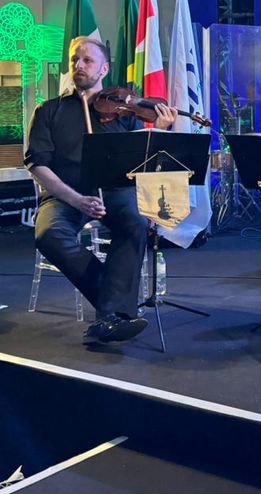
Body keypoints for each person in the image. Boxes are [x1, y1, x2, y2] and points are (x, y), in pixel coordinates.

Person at [26, 36, 177, 346]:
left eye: (87, 60)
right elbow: (37, 165)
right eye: (74, 60)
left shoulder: (125, 113)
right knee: (48, 233)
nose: (78, 66)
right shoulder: (48, 111)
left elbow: (143, 162)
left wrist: (161, 132)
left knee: (135, 222)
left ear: (104, 69)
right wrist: (77, 199)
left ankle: (111, 313)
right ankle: (115, 309)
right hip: (64, 195)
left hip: (114, 191)